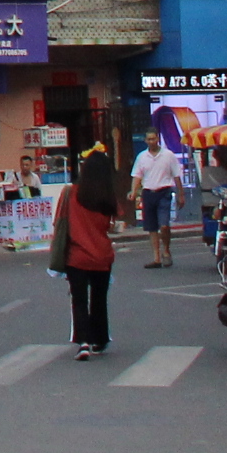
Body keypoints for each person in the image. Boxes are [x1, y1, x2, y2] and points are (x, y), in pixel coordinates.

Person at [57, 142, 120, 358]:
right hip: (102, 255)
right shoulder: (108, 196)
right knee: (99, 299)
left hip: (77, 256)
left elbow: (60, 221)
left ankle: (83, 342)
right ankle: (99, 339)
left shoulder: (71, 193)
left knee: (79, 299)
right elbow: (112, 225)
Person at [132, 131, 186, 267]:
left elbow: (176, 176)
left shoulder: (168, 155)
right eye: (149, 139)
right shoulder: (142, 157)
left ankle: (166, 250)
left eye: (153, 138)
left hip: (164, 192)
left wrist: (181, 194)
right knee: (152, 228)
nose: (151, 141)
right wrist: (133, 192)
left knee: (164, 225)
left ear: (158, 139)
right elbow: (137, 176)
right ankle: (156, 257)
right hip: (148, 193)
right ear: (145, 140)